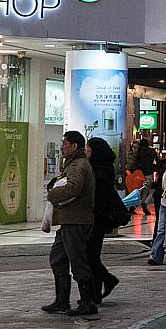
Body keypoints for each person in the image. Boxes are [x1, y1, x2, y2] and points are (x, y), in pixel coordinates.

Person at [43, 130, 98, 317]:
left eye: (64, 143)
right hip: (68, 220)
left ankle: (88, 302)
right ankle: (61, 300)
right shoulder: (73, 164)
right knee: (58, 258)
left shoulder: (78, 165)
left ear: (74, 146)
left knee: (77, 261)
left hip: (75, 220)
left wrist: (52, 195)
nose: (62, 146)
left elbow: (74, 187)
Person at [85, 137, 121, 302]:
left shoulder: (99, 172)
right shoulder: (104, 168)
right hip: (99, 218)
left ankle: (106, 280)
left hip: (97, 219)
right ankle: (96, 292)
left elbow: (99, 198)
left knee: (90, 255)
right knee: (93, 254)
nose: (87, 151)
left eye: (89, 148)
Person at [133, 137, 158, 217]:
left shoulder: (139, 151)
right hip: (149, 174)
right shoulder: (152, 151)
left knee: (138, 191)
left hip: (140, 174)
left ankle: (133, 207)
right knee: (146, 191)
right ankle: (144, 203)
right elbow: (157, 161)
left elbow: (136, 163)